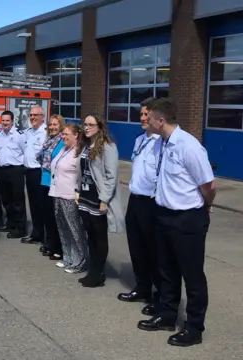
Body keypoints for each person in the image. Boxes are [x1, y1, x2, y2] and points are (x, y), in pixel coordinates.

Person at [137, 98, 215, 348]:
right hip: (164, 215)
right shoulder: (161, 143)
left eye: (150, 118)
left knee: (192, 276)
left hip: (187, 218)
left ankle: (194, 327)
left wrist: (205, 205)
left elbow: (208, 185)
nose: (146, 120)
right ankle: (167, 316)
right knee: (166, 271)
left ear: (161, 121)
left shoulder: (189, 146)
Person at [117, 97, 162, 317]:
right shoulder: (139, 140)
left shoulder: (162, 143)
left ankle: (159, 295)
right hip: (135, 199)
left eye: (147, 115)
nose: (143, 118)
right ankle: (142, 287)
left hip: (152, 202)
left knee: (153, 250)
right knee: (136, 247)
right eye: (142, 114)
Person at [74, 114, 125, 288]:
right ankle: (93, 270)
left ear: (100, 127)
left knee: (99, 236)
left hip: (98, 197)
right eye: (85, 124)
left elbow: (111, 176)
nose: (86, 128)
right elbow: (81, 171)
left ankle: (98, 273)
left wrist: (104, 199)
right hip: (85, 196)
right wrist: (77, 190)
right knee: (90, 236)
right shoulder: (86, 145)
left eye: (90, 125)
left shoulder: (108, 147)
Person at [50, 123, 88, 274]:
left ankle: (80, 261)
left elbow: (81, 174)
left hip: (70, 195)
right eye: (63, 134)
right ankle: (68, 258)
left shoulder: (79, 151)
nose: (63, 137)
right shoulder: (64, 149)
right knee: (63, 228)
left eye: (66, 134)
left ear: (76, 135)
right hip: (57, 193)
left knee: (74, 229)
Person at [36, 114, 65, 261]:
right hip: (44, 181)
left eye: (56, 125)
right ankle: (49, 243)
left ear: (61, 126)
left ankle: (57, 248)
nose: (53, 127)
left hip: (54, 184)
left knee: (55, 218)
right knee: (46, 216)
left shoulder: (62, 142)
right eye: (51, 125)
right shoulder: (48, 140)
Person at [0, 110, 27, 239]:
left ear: (12, 121)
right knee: (6, 199)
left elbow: (25, 152)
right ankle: (10, 223)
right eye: (3, 121)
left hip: (16, 170)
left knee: (17, 200)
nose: (5, 123)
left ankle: (20, 228)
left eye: (7, 121)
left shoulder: (19, 135)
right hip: (3, 170)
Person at [21, 105, 47, 245]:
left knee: (41, 205)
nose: (32, 118)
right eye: (31, 115)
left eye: (35, 115)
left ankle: (43, 235)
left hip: (39, 172)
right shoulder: (28, 132)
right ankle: (36, 234)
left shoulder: (45, 132)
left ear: (42, 116)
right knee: (33, 204)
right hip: (29, 171)